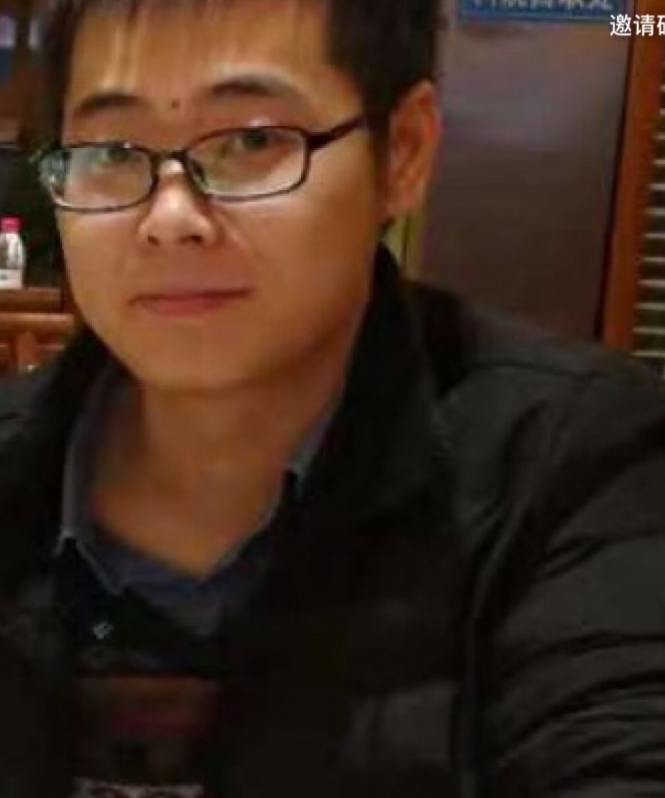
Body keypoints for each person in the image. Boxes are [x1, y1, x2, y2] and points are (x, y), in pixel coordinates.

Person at [0, 0, 664, 795]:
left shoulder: (573, 461)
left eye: (253, 141)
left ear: (404, 152)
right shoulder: (16, 460)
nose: (169, 220)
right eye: (112, 150)